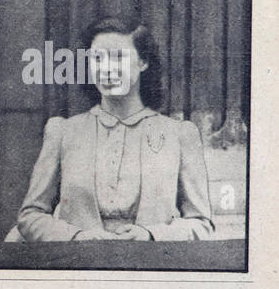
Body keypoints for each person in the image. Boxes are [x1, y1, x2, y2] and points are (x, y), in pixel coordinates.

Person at [13, 17, 214, 242]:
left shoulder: (180, 134)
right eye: (97, 59)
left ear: (143, 62)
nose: (107, 69)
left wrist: (152, 235)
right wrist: (75, 236)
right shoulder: (63, 132)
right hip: (78, 268)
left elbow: (201, 224)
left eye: (119, 57)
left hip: (151, 268)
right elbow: (30, 215)